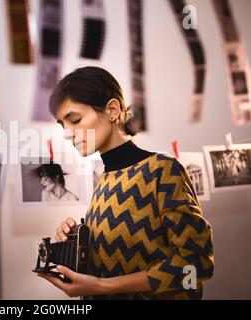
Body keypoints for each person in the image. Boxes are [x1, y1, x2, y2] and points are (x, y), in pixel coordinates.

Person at [36, 66, 214, 300]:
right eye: (62, 124)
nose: (67, 133)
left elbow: (196, 264)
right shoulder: (105, 180)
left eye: (75, 119)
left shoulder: (162, 170)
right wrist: (73, 243)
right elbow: (114, 260)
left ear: (112, 110)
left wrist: (101, 286)